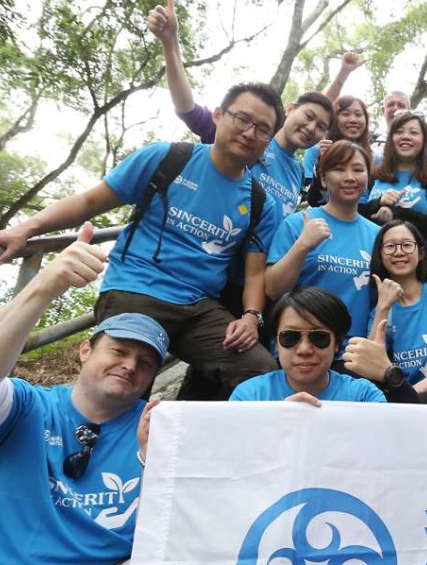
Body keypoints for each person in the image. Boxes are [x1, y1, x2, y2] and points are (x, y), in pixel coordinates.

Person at [0, 83, 283, 398]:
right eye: (242, 119)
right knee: (122, 386)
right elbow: (89, 202)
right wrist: (27, 228)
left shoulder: (260, 202)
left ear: (268, 141)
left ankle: (195, 440)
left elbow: (255, 272)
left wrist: (250, 317)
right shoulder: (168, 158)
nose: (249, 132)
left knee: (261, 377)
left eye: (261, 129)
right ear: (218, 115)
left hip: (198, 307)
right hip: (136, 290)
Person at [0, 224, 168, 565]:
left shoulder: (161, 430)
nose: (130, 366)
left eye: (145, 362)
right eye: (119, 351)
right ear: (84, 352)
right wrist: (45, 286)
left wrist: (157, 463)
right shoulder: (26, 404)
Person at [146, 0, 333, 216]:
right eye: (309, 116)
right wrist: (171, 42)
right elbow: (188, 109)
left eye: (321, 126)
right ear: (290, 109)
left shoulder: (298, 172)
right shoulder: (247, 133)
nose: (311, 128)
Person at [266, 141, 379, 342]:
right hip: (303, 346)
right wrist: (303, 245)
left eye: (358, 169)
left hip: (354, 353)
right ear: (323, 179)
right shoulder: (297, 224)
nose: (350, 177)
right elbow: (273, 290)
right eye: (339, 169)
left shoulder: (378, 235)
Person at [231, 286, 415, 404]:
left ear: (337, 344)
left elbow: (404, 436)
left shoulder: (363, 396)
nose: (304, 350)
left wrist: (389, 372)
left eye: (319, 338)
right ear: (276, 343)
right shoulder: (249, 397)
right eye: (290, 337)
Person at [368, 221, 427, 402]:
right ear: (380, 255)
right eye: (390, 246)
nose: (399, 252)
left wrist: (412, 392)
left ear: (422, 253)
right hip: (409, 411)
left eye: (407, 245)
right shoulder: (381, 311)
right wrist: (383, 307)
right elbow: (371, 364)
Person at [363, 109, 427, 275]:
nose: (406, 136)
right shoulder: (372, 176)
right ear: (391, 139)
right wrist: (377, 203)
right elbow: (356, 214)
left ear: (424, 140)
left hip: (416, 272)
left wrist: (395, 213)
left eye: (414, 132)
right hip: (371, 266)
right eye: (399, 132)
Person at [304, 95, 374, 207]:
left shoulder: (375, 158)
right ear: (334, 119)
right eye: (346, 114)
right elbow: (313, 199)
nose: (353, 120)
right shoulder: (316, 150)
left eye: (358, 114)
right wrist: (322, 162)